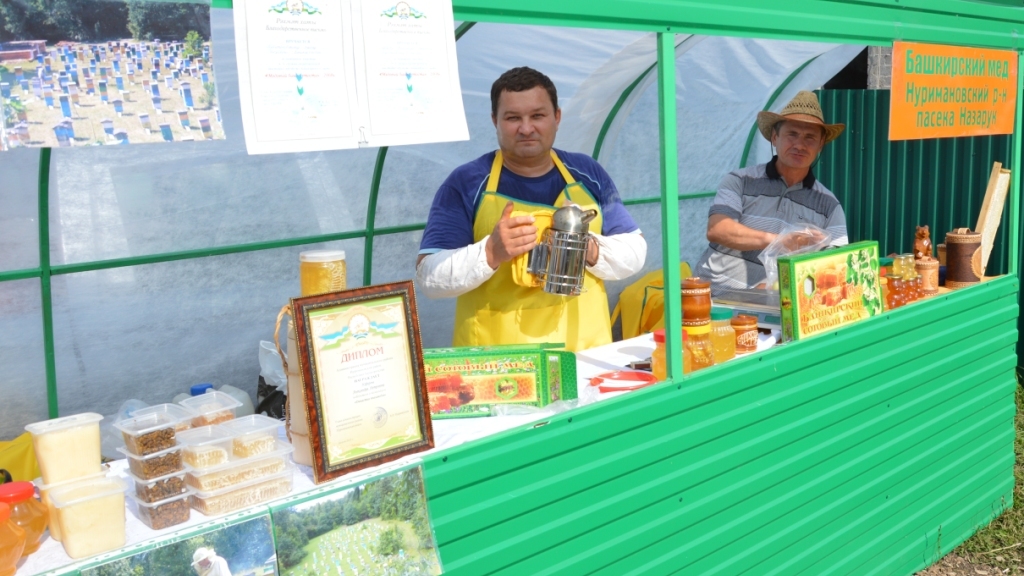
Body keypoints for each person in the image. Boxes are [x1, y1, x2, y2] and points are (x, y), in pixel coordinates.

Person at [416, 66, 646, 351]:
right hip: (500, 361)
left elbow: (635, 250)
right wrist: (490, 252)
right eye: (513, 118)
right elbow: (429, 277)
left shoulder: (588, 173)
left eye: (537, 115)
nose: (526, 129)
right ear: (495, 120)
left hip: (584, 355)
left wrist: (587, 248)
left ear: (557, 117)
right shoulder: (467, 182)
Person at [694, 90, 849, 295]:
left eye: (810, 138)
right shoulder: (740, 181)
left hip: (777, 305)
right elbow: (718, 230)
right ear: (775, 138)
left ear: (820, 145)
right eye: (792, 134)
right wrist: (781, 241)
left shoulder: (829, 205)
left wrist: (814, 253)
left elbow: (837, 264)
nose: (800, 145)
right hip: (714, 298)